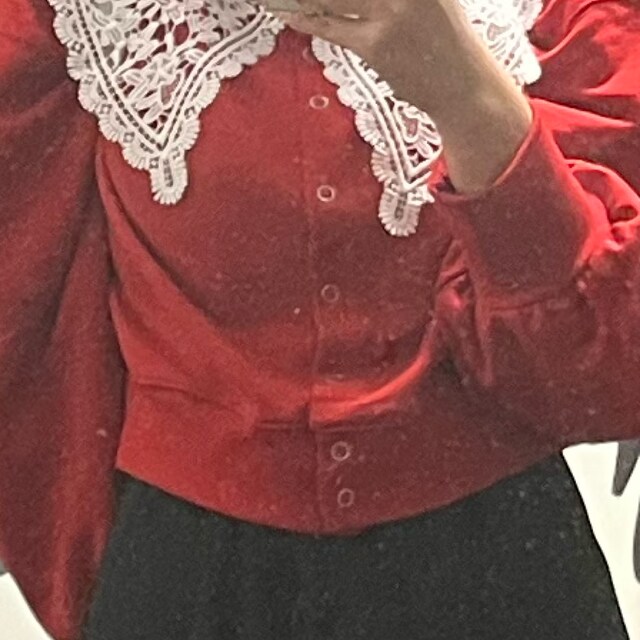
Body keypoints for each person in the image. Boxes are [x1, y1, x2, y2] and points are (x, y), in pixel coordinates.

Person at [0, 0, 639, 638]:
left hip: (498, 565)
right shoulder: (79, 21)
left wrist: (469, 96)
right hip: (187, 575)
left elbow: (596, 370)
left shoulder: (554, 15)